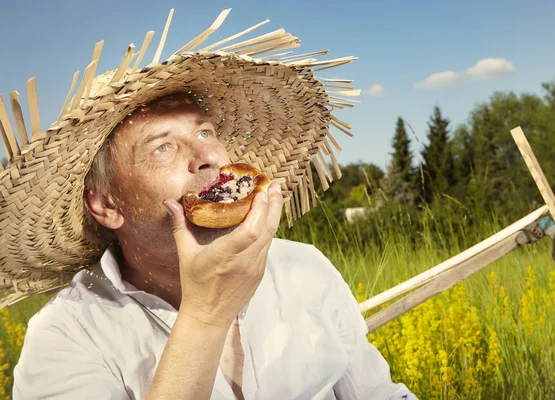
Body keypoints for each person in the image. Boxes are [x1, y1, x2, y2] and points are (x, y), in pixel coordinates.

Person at [2, 9, 417, 400]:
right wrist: (205, 315)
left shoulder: (304, 269)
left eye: (204, 133)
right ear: (107, 205)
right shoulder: (66, 335)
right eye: (162, 147)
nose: (210, 158)